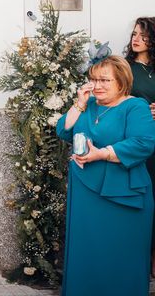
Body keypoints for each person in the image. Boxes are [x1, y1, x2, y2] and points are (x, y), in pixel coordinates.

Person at [56, 55, 155, 295]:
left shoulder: (135, 106)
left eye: (104, 80)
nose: (97, 85)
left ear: (121, 82)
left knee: (119, 256)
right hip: (85, 193)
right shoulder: (89, 104)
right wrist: (79, 104)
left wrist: (102, 154)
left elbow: (144, 143)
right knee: (87, 253)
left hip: (123, 195)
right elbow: (63, 130)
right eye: (93, 79)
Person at [124, 16, 155, 276]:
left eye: (143, 36)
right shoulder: (125, 68)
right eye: (134, 34)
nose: (136, 39)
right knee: (144, 196)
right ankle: (140, 257)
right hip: (137, 139)